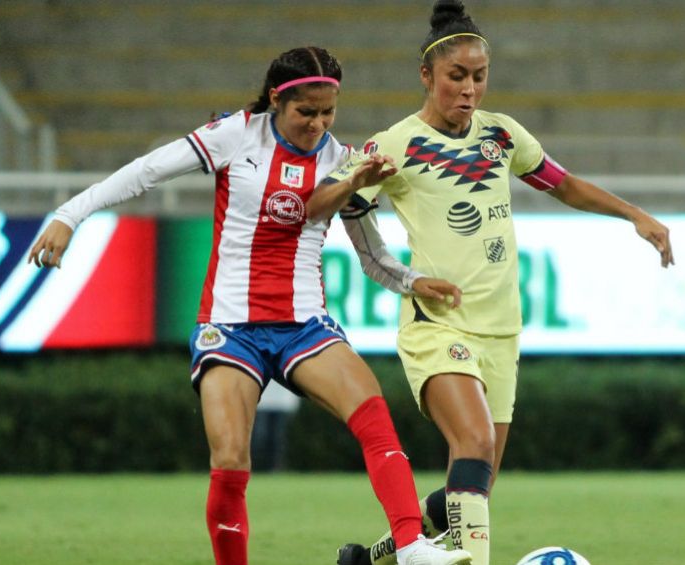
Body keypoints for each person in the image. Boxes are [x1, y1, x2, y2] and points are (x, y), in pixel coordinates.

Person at [27, 46, 472, 565]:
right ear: (277, 101)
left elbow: (372, 256)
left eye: (328, 112)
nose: (318, 123)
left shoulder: (343, 162)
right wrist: (69, 214)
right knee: (232, 459)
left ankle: (412, 546)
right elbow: (146, 171)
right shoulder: (234, 135)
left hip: (304, 325)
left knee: (374, 416)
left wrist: (414, 281)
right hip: (230, 327)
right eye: (306, 111)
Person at [307, 3, 675, 564]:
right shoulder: (396, 144)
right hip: (439, 326)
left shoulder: (501, 136)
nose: (469, 89)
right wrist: (357, 181)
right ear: (427, 76)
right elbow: (320, 205)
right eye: (457, 76)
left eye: (479, 76)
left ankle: (373, 559)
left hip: (502, 331)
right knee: (474, 445)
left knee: (471, 483)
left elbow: (564, 185)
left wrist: (635, 216)